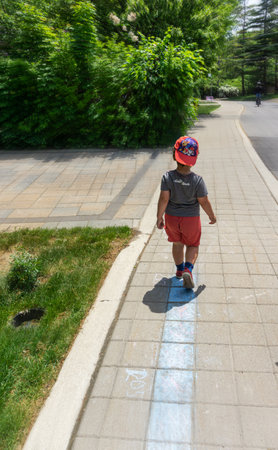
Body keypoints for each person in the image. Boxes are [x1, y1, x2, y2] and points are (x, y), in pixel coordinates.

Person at [156, 136, 216, 289]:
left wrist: (159, 217)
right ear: (194, 158)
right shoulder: (197, 180)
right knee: (193, 245)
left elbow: (164, 198)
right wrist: (211, 215)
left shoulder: (167, 177)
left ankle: (179, 270)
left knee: (177, 244)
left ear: (175, 155)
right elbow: (203, 200)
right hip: (191, 219)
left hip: (171, 218)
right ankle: (188, 269)